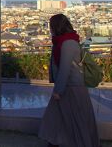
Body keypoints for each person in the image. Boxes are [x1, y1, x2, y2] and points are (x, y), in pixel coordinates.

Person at [38, 14, 99, 147]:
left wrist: (58, 90)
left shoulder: (67, 43)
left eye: (51, 26)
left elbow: (65, 68)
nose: (49, 29)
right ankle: (55, 142)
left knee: (74, 119)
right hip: (69, 86)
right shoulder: (63, 41)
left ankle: (64, 142)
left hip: (72, 87)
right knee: (61, 118)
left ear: (56, 27)